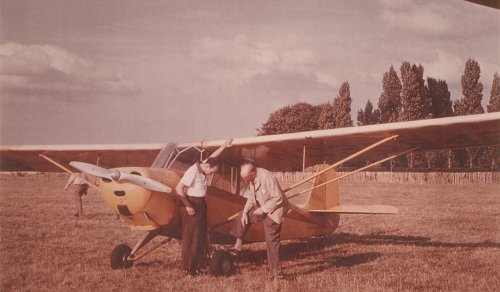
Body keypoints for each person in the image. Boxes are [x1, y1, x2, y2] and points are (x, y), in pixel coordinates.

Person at [175, 138, 233, 276]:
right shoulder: (192, 171)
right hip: (193, 204)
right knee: (191, 238)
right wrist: (188, 206)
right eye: (211, 172)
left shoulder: (206, 164)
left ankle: (198, 267)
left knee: (201, 237)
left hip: (201, 204)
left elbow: (214, 156)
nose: (211, 174)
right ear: (206, 166)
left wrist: (224, 145)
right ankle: (188, 269)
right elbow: (178, 189)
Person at [229, 160, 290, 279]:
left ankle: (277, 274)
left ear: (253, 172)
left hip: (274, 211)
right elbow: (252, 197)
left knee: (271, 242)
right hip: (262, 206)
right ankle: (237, 246)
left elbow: (278, 198)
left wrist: (262, 209)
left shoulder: (267, 177)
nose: (246, 181)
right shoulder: (252, 178)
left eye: (247, 178)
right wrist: (246, 211)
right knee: (242, 215)